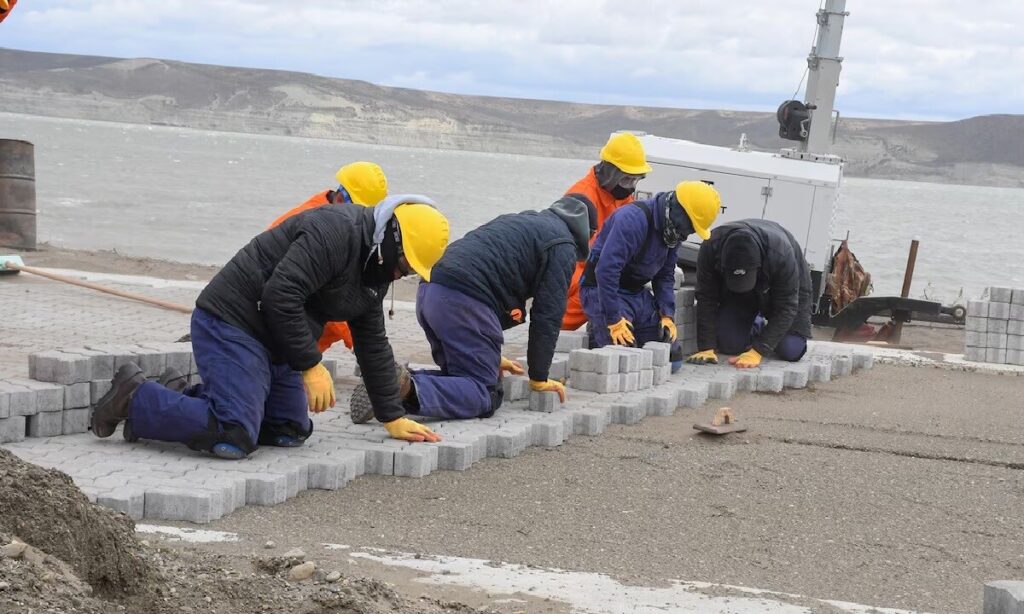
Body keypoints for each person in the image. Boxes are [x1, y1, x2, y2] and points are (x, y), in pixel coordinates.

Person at [91, 196, 450, 458]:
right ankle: (136, 397)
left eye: (411, 271)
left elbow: (371, 340)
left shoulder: (375, 268)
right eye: (405, 265)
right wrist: (310, 366)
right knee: (233, 436)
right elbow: (281, 296)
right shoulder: (334, 233)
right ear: (392, 237)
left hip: (276, 338)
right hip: (231, 323)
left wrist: (392, 416)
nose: (402, 274)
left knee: (289, 430)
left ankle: (177, 394)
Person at [349, 195, 597, 423]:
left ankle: (384, 381)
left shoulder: (523, 220)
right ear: (587, 232)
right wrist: (539, 377)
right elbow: (548, 316)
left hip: (430, 292)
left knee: (458, 376)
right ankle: (403, 388)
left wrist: (490, 355)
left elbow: (491, 268)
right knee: (485, 391)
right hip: (462, 302)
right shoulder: (562, 244)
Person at [580, 181, 721, 360]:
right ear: (680, 211)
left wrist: (667, 314)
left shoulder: (673, 231)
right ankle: (599, 328)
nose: (688, 234)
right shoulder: (632, 219)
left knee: (671, 355)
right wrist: (613, 319)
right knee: (623, 356)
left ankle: (606, 327)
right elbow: (606, 271)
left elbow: (665, 274)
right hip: (602, 290)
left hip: (636, 294)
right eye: (691, 226)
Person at [268, 161, 389, 353]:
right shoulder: (317, 226)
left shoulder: (337, 218)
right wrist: (359, 345)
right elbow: (327, 296)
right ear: (341, 199)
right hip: (276, 327)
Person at [688, 219, 813, 369]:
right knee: (729, 344)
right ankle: (757, 325)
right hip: (741, 296)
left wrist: (758, 351)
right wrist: (706, 347)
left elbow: (787, 307)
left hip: (786, 289)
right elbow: (706, 296)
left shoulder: (781, 253)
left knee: (791, 350)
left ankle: (765, 330)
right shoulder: (710, 246)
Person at [561, 132, 652, 331]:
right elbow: (566, 255)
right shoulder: (580, 199)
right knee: (595, 292)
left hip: (601, 266)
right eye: (628, 179)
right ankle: (554, 339)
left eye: (636, 180)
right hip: (574, 272)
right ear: (611, 172)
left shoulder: (620, 195)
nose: (632, 187)